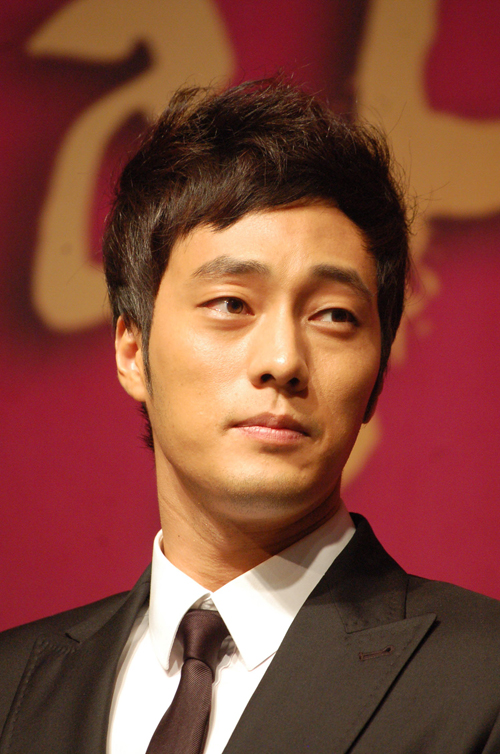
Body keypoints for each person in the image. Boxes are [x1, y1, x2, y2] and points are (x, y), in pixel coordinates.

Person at [1, 78, 500, 754]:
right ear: (132, 350)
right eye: (232, 304)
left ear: (378, 373)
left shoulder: (481, 680)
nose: (283, 360)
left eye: (334, 315)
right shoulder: (13, 686)